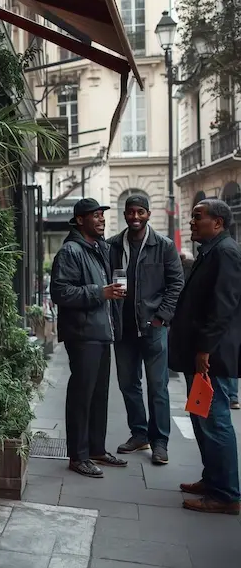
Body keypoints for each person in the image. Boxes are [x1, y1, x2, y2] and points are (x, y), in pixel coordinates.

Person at [169, 199, 241, 515]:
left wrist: (204, 350)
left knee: (214, 419)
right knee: (202, 416)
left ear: (218, 222)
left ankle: (226, 494)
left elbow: (222, 307)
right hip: (202, 352)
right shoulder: (211, 250)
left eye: (199, 217)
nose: (192, 222)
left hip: (212, 355)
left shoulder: (225, 253)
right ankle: (213, 479)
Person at [51, 198, 128, 478]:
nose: (101, 220)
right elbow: (61, 292)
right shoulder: (70, 251)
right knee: (81, 396)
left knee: (99, 395)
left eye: (102, 216)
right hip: (82, 334)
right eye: (95, 216)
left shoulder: (99, 248)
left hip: (101, 331)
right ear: (80, 220)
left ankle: (96, 448)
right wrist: (100, 292)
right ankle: (78, 455)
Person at [108, 194, 184, 465]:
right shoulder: (113, 245)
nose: (135, 217)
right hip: (124, 330)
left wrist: (161, 317)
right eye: (131, 212)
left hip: (153, 328)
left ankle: (160, 442)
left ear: (148, 214)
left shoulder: (163, 246)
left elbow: (176, 284)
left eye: (140, 212)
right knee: (128, 384)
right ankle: (139, 434)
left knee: (158, 387)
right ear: (125, 214)